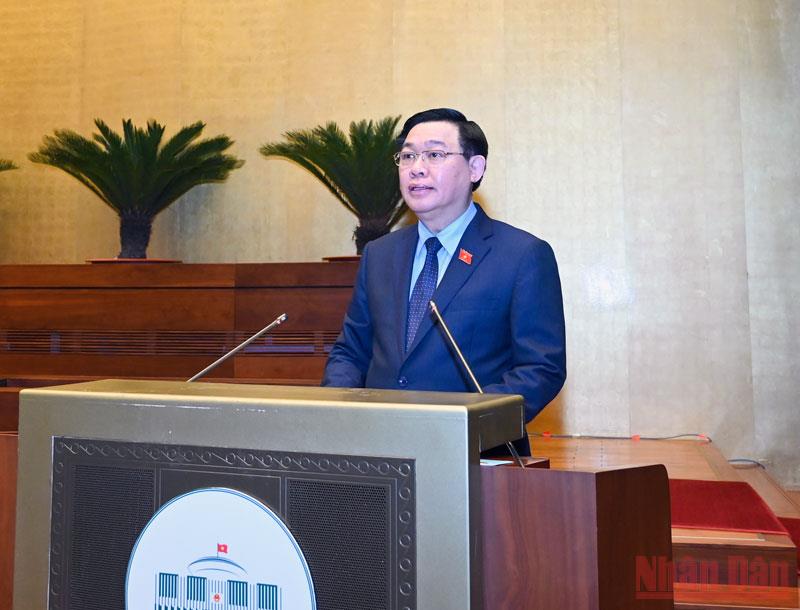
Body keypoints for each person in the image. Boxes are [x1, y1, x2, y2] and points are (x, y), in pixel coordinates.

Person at [322, 108, 566, 455]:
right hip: (378, 451)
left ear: (474, 168)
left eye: (435, 155)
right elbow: (351, 352)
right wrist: (337, 412)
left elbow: (541, 368)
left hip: (474, 454)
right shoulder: (380, 255)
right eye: (408, 156)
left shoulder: (521, 255)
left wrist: (462, 422)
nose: (417, 168)